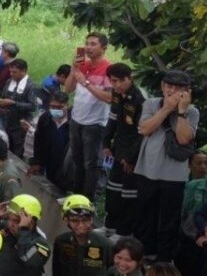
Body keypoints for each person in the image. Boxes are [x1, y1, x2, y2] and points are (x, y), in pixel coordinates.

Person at [134, 69, 199, 263]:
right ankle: (144, 252)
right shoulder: (151, 104)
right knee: (145, 214)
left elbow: (183, 138)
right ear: (162, 86)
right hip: (147, 170)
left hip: (174, 175)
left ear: (187, 91)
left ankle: (164, 259)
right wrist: (165, 109)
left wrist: (180, 111)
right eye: (169, 86)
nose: (172, 91)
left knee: (169, 219)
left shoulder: (192, 112)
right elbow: (145, 128)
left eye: (178, 88)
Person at [64, 33, 113, 200]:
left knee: (91, 164)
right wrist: (74, 69)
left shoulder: (108, 69)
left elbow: (109, 97)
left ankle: (88, 200)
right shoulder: (82, 66)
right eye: (87, 44)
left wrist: (86, 82)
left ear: (103, 48)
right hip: (77, 119)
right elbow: (68, 89)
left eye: (93, 44)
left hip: (95, 123)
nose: (88, 47)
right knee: (77, 161)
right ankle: (76, 197)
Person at [102, 63, 146, 236]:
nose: (118, 85)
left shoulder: (139, 98)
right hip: (117, 149)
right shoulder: (116, 94)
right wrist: (105, 143)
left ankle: (124, 232)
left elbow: (142, 133)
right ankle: (109, 226)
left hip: (132, 153)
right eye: (114, 81)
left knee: (128, 194)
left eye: (122, 81)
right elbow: (112, 120)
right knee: (113, 189)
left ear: (130, 78)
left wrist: (131, 158)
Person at [30, 90, 72, 191]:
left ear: (67, 105)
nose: (55, 110)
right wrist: (37, 161)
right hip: (49, 159)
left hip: (66, 163)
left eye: (60, 107)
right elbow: (38, 140)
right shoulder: (45, 118)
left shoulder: (74, 121)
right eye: (52, 107)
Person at [0, 59, 38, 156]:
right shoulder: (9, 82)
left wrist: (13, 103)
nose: (11, 74)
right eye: (10, 71)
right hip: (7, 122)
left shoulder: (31, 86)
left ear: (24, 71)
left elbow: (33, 106)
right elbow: (4, 96)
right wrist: (1, 102)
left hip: (21, 125)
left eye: (14, 72)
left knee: (18, 152)